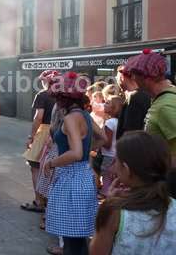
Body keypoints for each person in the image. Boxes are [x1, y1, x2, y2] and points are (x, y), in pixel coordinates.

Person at [43, 72, 107, 255]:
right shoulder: (85, 115)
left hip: (71, 180)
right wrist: (90, 151)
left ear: (62, 97)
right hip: (84, 177)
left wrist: (51, 163)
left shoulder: (71, 118)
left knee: (72, 240)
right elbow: (102, 137)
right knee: (79, 239)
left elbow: (76, 153)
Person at [90, 131, 176, 254]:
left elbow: (96, 252)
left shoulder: (114, 211)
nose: (113, 168)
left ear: (126, 169)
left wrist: (109, 203)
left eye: (116, 161)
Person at [125, 49, 176, 163]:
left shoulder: (165, 105)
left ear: (146, 78)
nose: (133, 78)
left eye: (135, 74)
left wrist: (156, 169)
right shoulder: (163, 98)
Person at [21, 70, 57, 213]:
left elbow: (38, 117)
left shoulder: (42, 95)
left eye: (42, 80)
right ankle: (49, 200)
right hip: (58, 132)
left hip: (44, 132)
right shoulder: (60, 95)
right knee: (52, 168)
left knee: (35, 166)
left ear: (46, 82)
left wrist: (31, 136)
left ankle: (39, 201)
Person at [115, 65, 151, 139]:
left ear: (122, 77)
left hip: (132, 146)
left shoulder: (134, 97)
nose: (116, 80)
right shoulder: (146, 94)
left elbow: (130, 130)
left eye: (117, 77)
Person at [100, 95, 123, 197]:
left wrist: (97, 141)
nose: (104, 104)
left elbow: (107, 143)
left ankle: (107, 199)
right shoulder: (120, 122)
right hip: (117, 155)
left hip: (108, 156)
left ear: (114, 108)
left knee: (107, 179)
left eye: (108, 102)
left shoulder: (109, 122)